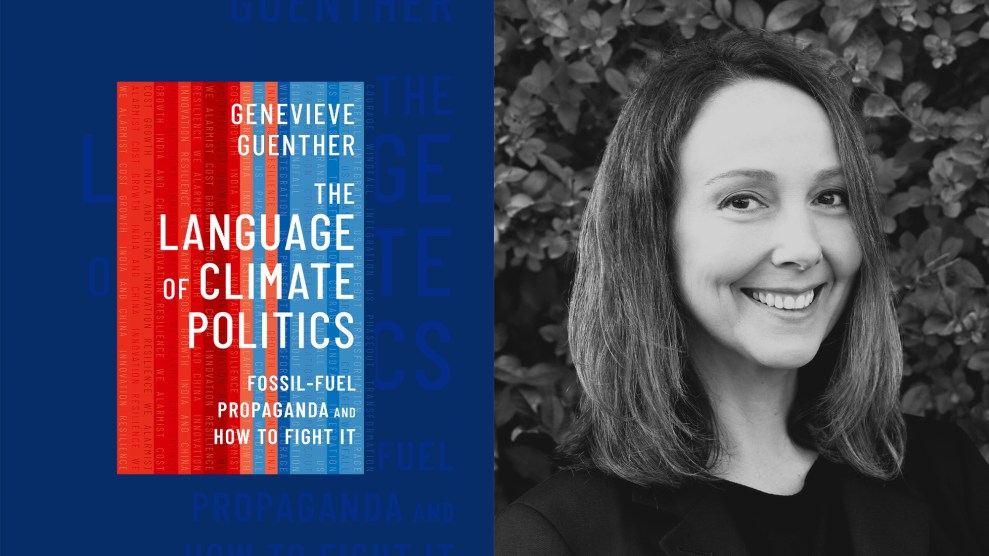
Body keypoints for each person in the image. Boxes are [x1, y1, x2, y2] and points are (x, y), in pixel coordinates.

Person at [495, 30, 989, 556]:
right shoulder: (553, 539)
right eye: (744, 200)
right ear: (651, 230)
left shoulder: (945, 473)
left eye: (830, 196)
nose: (803, 247)